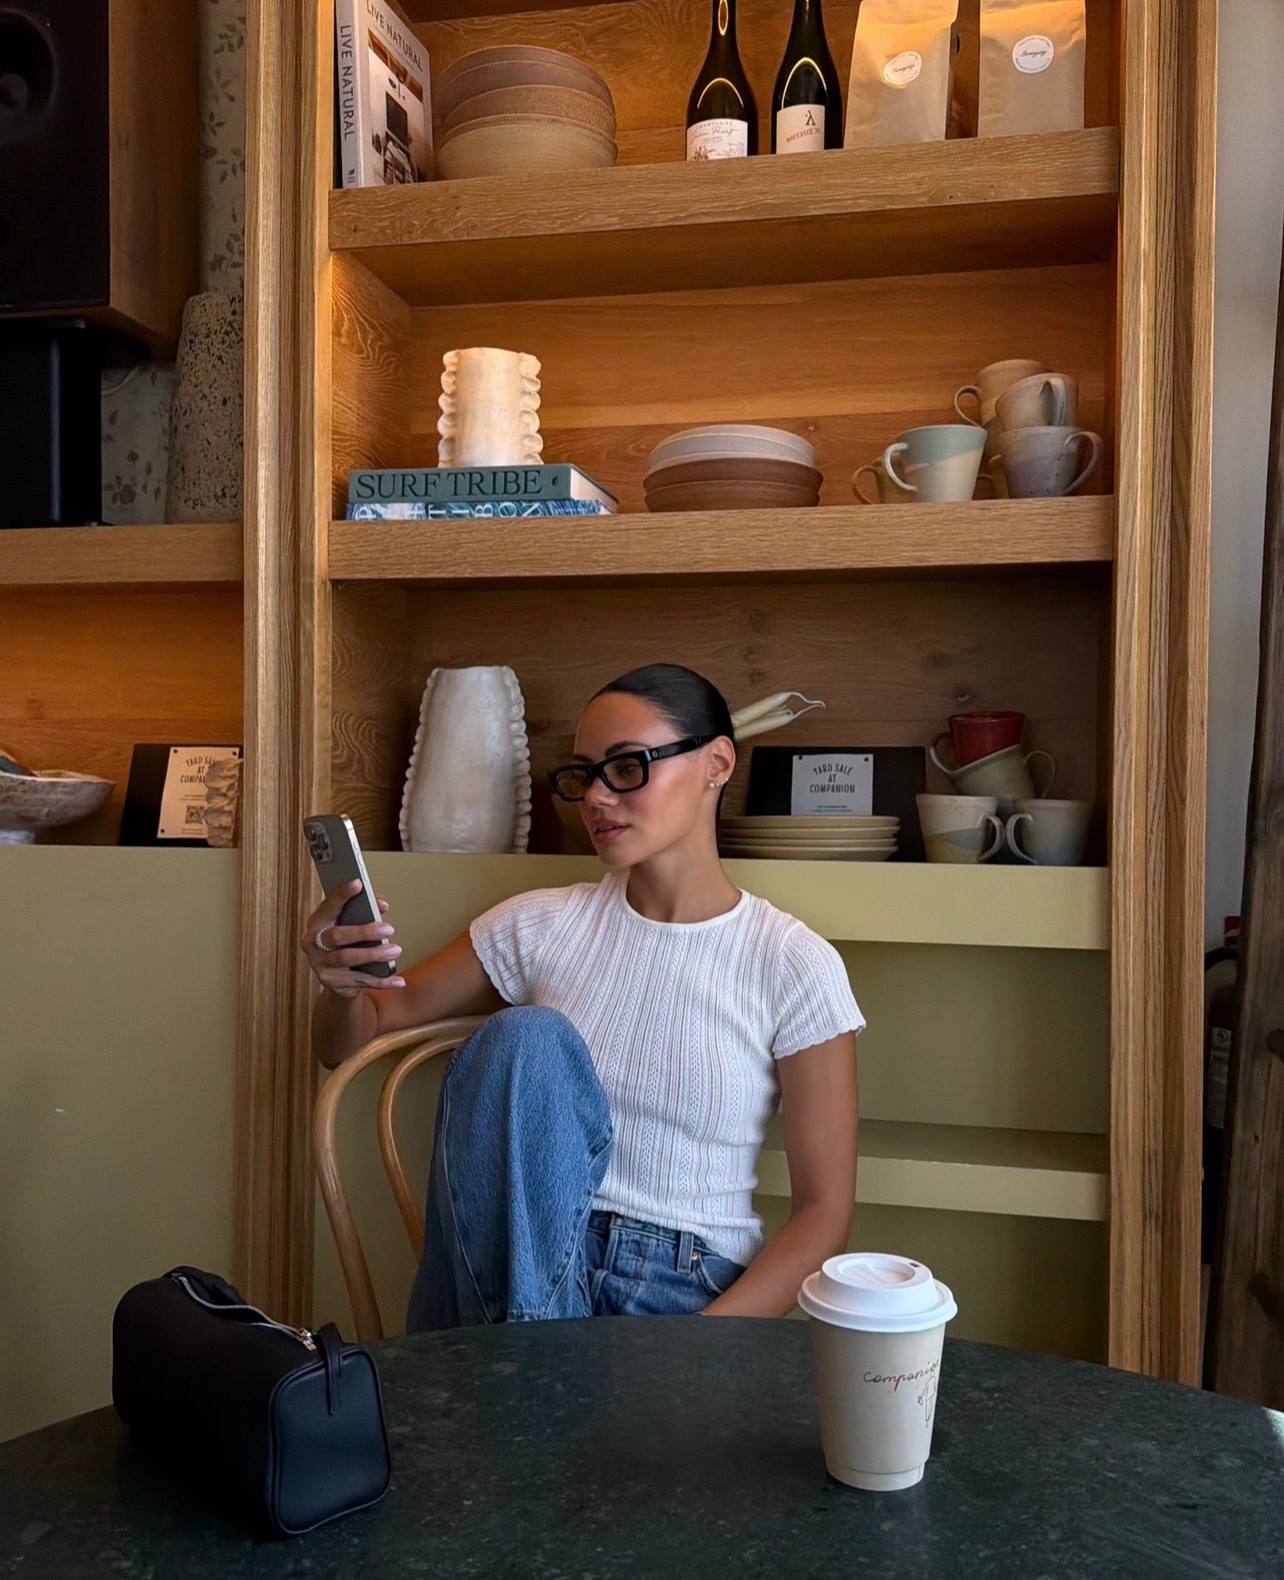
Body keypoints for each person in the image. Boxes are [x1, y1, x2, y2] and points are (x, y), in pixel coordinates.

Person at [304, 663, 863, 1328]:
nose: (596, 797)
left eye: (626, 767)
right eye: (583, 775)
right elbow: (352, 1039)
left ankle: (510, 1380)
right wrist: (343, 989)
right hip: (519, 1266)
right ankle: (528, 1374)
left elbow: (824, 1214)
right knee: (526, 1038)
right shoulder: (540, 925)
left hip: (679, 1299)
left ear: (716, 763)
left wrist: (701, 1344)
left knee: (517, 1376)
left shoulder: (793, 964)